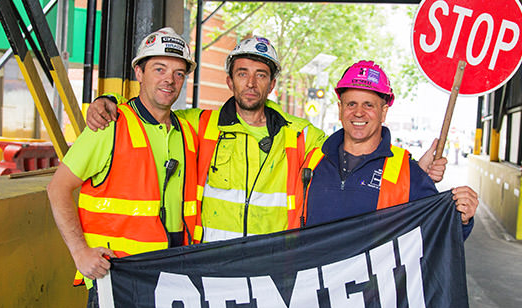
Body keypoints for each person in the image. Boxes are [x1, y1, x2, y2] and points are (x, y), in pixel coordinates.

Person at [86, 38, 448, 240]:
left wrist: (412, 172)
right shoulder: (197, 126)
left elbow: (356, 146)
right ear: (229, 81)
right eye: (242, 73)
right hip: (210, 268)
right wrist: (110, 104)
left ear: (272, 84)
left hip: (270, 274)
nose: (251, 82)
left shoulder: (299, 134)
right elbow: (154, 111)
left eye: (261, 74)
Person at [46, 27, 200, 308]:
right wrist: (80, 252)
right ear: (139, 72)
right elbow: (58, 189)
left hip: (164, 281)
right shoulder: (109, 127)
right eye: (160, 69)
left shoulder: (183, 130)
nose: (170, 79)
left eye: (179, 73)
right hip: (115, 282)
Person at [303, 60, 478, 237]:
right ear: (340, 109)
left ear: (384, 112)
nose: (358, 112)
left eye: (368, 105)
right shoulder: (312, 162)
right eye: (351, 104)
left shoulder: (409, 174)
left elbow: (437, 237)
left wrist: (462, 220)